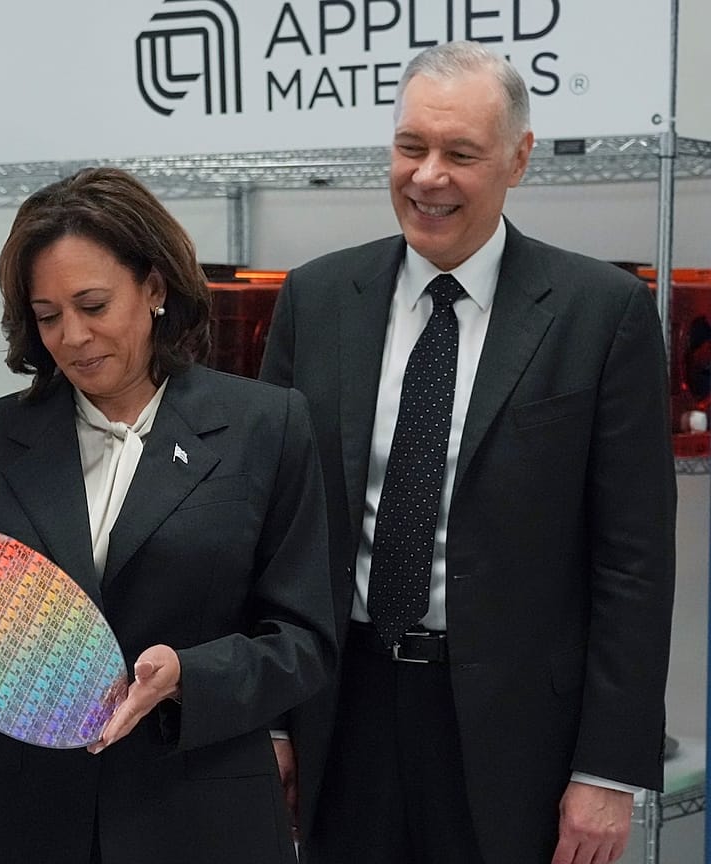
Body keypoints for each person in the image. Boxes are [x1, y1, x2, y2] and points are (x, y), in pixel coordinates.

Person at [259, 40, 676, 864]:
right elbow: (274, 526)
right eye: (411, 148)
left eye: (461, 153)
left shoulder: (605, 315)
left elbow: (634, 563)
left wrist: (607, 771)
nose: (428, 177)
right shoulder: (316, 299)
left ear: (518, 159)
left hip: (520, 735)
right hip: (344, 714)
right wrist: (269, 716)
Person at [0, 166, 335, 863]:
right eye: (48, 316)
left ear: (154, 287)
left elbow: (303, 642)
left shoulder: (264, 427)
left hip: (194, 811)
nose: (73, 337)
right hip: (14, 817)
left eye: (93, 304)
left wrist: (189, 676)